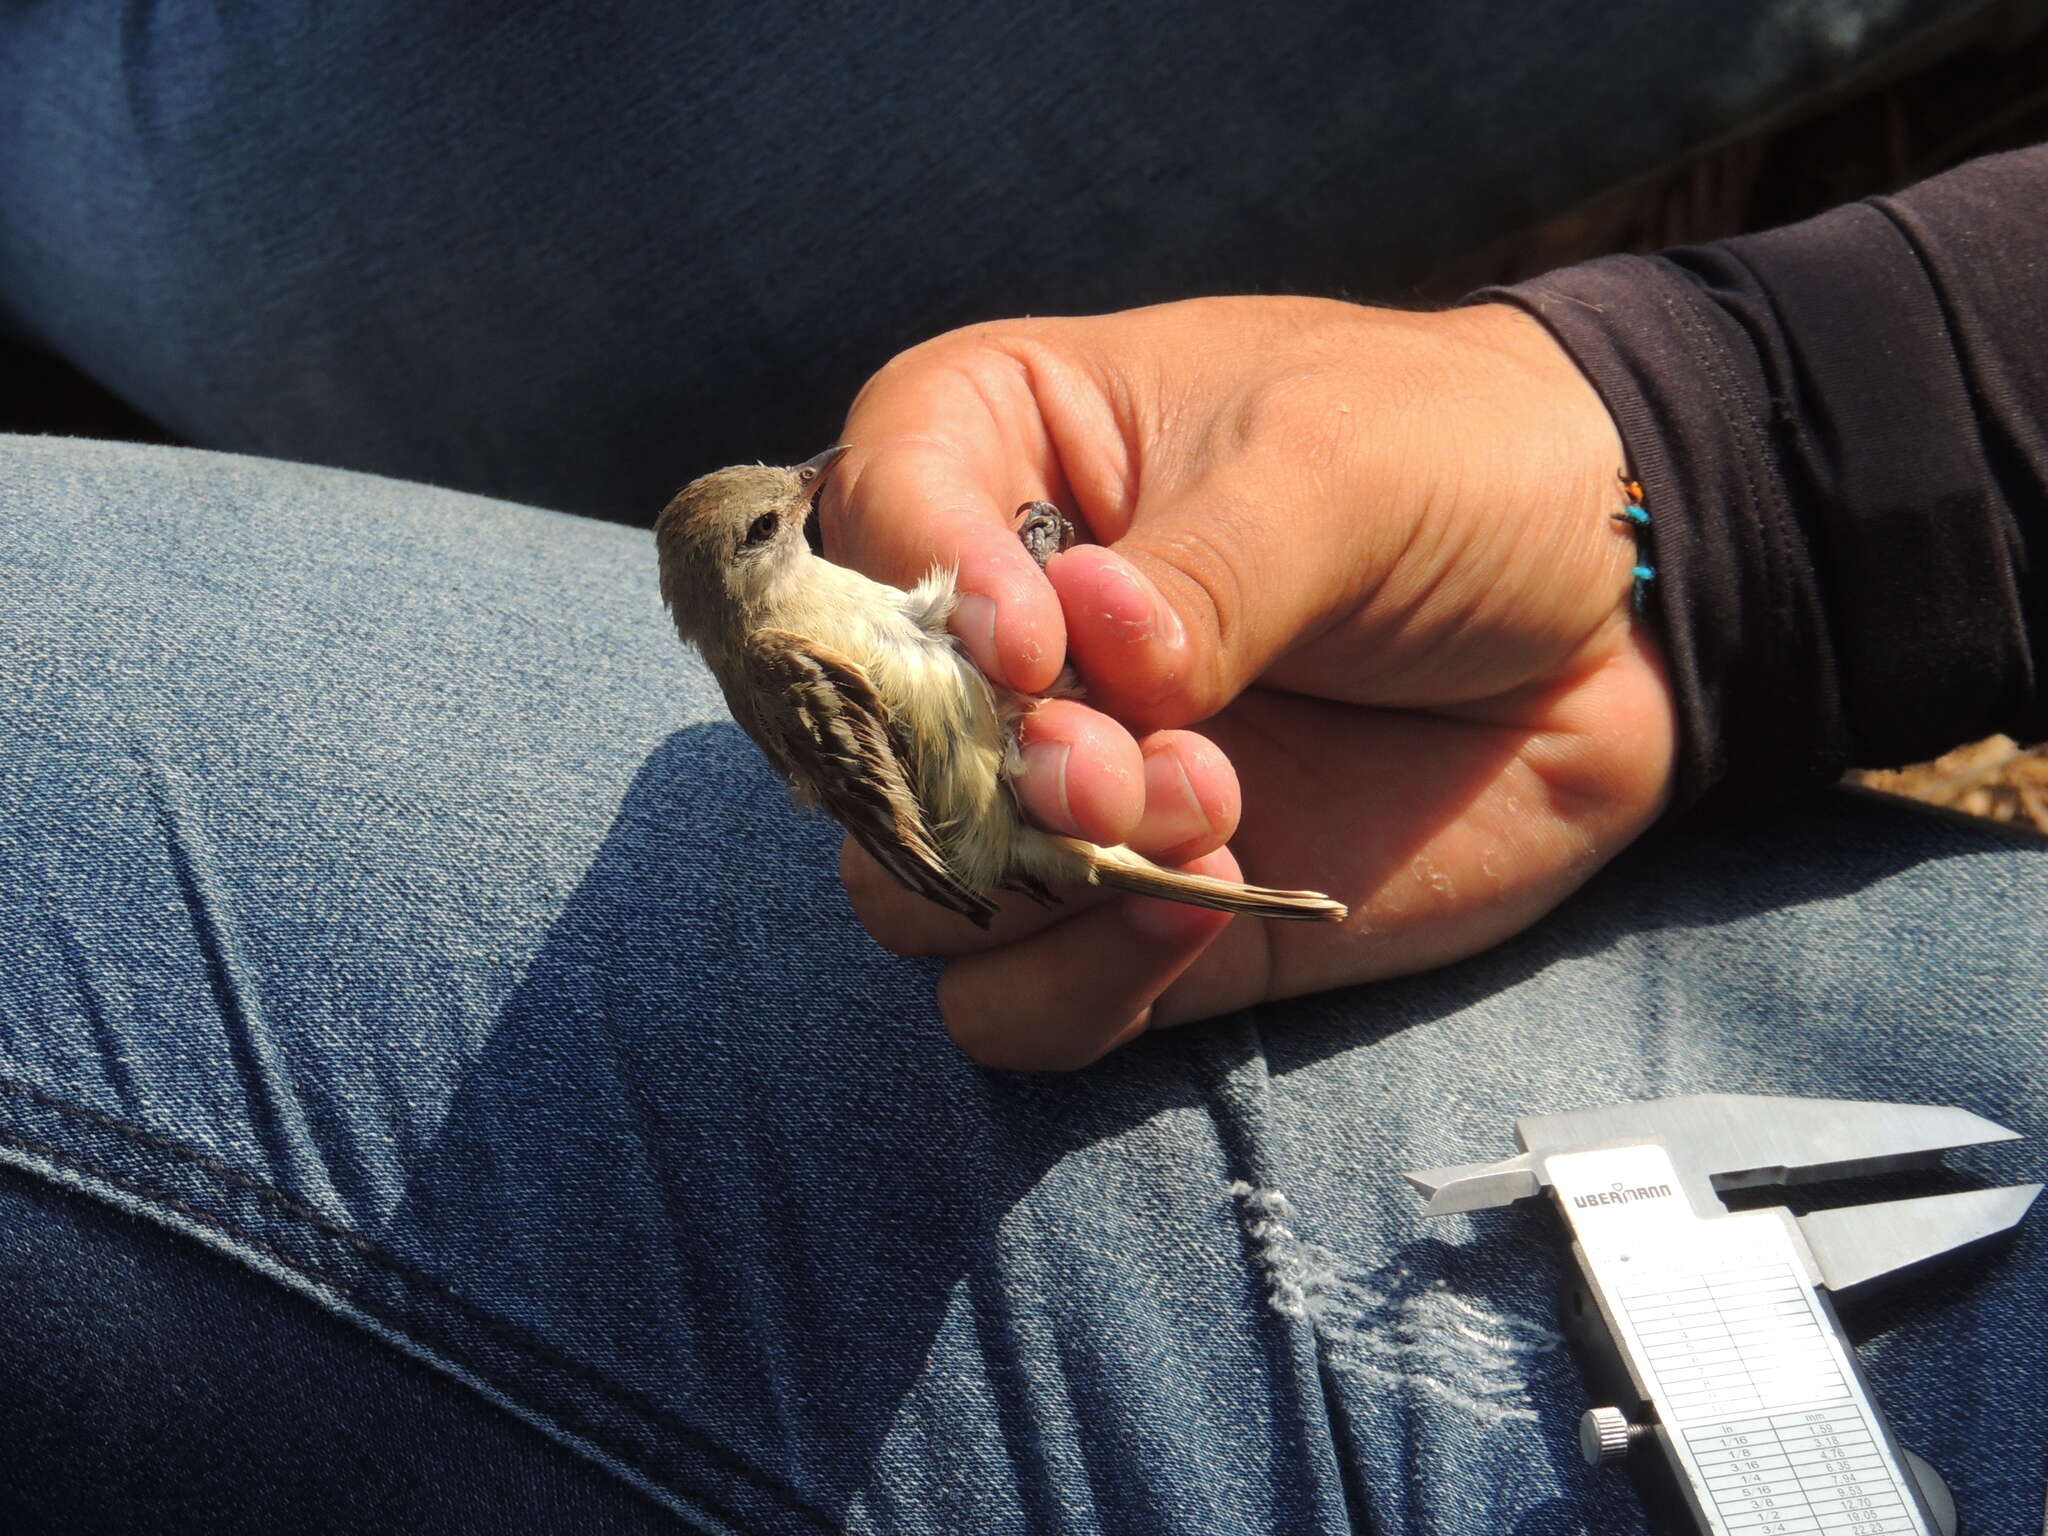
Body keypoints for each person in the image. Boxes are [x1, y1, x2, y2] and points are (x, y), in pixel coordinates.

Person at [3, 10, 2044, 1535]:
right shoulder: (803, 640)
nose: (813, 507)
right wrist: (1720, 477)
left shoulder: (807, 637)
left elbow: (916, 794)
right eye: (777, 522)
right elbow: (916, 802)